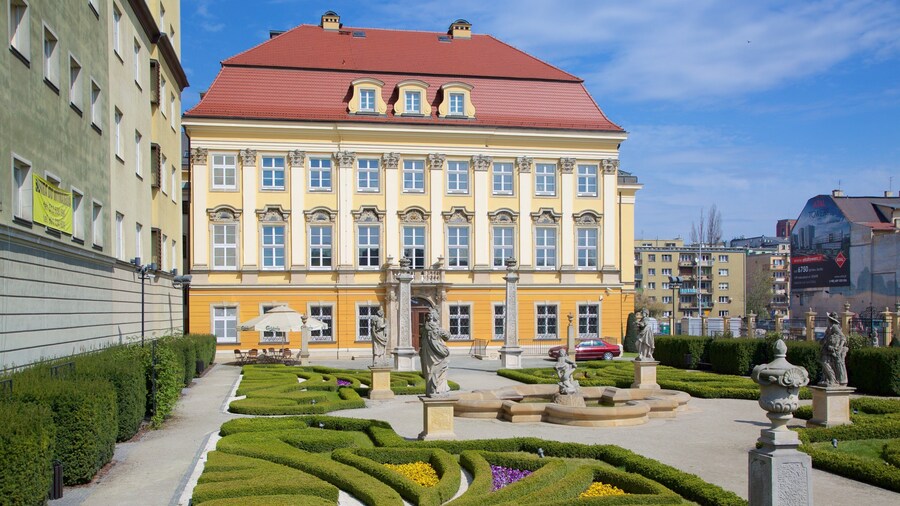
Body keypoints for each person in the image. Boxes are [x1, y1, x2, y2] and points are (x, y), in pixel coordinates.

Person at [419, 309, 451, 396]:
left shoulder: (423, 330)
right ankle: (438, 389)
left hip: (427, 354)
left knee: (429, 371)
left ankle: (430, 390)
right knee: (440, 370)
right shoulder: (436, 330)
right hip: (438, 354)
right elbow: (447, 337)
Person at [819, 312, 848, 386]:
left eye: (828, 319)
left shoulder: (835, 327)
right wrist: (823, 340)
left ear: (830, 319)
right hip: (827, 348)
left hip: (832, 349)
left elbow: (843, 337)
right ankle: (828, 379)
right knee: (825, 362)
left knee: (825, 362)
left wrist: (840, 347)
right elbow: (826, 337)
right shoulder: (830, 327)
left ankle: (832, 379)